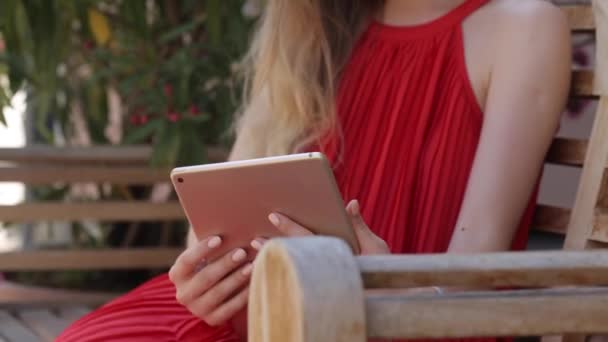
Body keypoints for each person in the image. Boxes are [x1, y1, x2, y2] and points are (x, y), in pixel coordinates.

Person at [58, 0, 570, 341]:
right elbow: (217, 215)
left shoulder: (522, 26)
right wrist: (203, 274)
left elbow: (479, 267)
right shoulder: (315, 30)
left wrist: (386, 285)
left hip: (400, 324)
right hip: (259, 316)